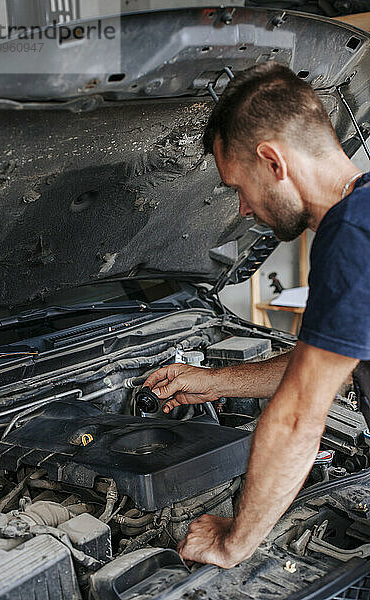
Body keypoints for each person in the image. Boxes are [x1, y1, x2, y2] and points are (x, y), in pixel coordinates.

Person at [143, 62, 370, 569]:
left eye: (237, 186)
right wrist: (217, 381)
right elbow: (339, 364)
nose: (242, 210)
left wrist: (232, 542)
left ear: (273, 161)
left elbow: (297, 417)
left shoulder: (355, 234)